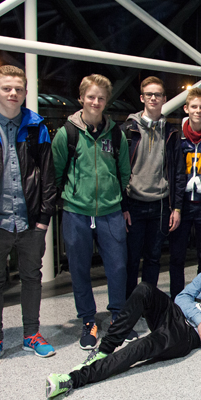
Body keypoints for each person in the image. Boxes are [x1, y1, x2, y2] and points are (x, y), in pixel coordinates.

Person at [46, 240, 201, 398]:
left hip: (187, 336)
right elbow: (181, 298)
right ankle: (103, 350)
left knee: (140, 347)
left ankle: (73, 380)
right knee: (145, 288)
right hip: (179, 315)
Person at [0, 65, 57, 367]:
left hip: (30, 221)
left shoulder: (36, 127)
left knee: (32, 277)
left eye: (19, 89)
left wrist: (44, 218)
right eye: (7, 88)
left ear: (26, 92)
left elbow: (48, 176)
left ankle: (32, 334)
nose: (13, 93)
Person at [52, 74, 131, 349]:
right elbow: (57, 172)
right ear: (81, 98)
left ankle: (118, 316)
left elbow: (124, 172)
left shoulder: (116, 134)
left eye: (101, 98)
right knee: (79, 268)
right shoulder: (67, 134)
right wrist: (69, 199)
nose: (95, 102)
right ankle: (88, 320)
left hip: (110, 211)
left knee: (118, 267)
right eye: (91, 97)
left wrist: (119, 201)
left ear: (106, 101)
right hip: (76, 212)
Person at [122, 76, 183, 301]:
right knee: (130, 260)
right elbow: (119, 171)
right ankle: (130, 305)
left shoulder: (171, 133)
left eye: (158, 94)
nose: (153, 98)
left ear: (165, 99)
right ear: (142, 98)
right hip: (134, 205)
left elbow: (178, 173)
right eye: (149, 94)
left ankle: (147, 304)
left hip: (160, 205)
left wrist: (177, 208)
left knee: (153, 259)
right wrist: (123, 206)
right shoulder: (128, 130)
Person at [168, 87, 201, 299]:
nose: (198, 111)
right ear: (186, 108)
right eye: (194, 107)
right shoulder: (176, 136)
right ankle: (177, 299)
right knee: (177, 256)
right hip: (182, 204)